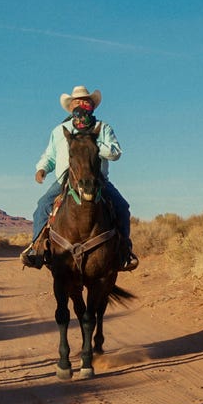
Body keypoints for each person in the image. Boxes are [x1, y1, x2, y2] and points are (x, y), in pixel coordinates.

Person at [20, 85, 136, 271]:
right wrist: (42, 169)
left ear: (92, 105)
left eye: (86, 101)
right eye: (77, 101)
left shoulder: (103, 128)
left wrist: (93, 144)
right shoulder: (60, 130)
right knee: (42, 206)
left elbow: (115, 153)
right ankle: (36, 250)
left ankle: (124, 252)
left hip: (98, 179)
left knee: (122, 207)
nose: (81, 104)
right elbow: (50, 155)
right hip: (65, 180)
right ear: (71, 105)